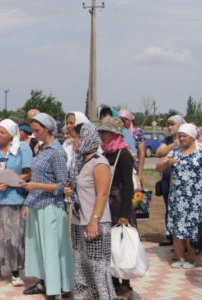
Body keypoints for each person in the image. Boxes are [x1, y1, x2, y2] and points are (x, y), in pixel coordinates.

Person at [20, 113, 74, 299]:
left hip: (51, 206)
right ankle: (45, 282)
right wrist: (28, 202)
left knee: (52, 249)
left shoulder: (57, 152)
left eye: (37, 130)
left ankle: (56, 288)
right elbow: (36, 177)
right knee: (39, 249)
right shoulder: (41, 148)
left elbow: (62, 185)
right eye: (32, 130)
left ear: (48, 129)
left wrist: (37, 186)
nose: (34, 134)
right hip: (37, 204)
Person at [65, 122, 116, 300]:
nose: (74, 141)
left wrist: (94, 221)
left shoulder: (99, 163)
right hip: (78, 221)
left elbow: (102, 194)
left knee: (98, 269)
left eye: (77, 137)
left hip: (95, 223)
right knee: (80, 267)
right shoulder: (79, 162)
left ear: (87, 138)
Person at [0, 119, 32, 286]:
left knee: (12, 235)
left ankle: (15, 270)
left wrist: (10, 181)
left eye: (2, 132)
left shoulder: (22, 149)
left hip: (13, 198)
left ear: (11, 134)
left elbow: (28, 173)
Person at [156, 123, 202, 269]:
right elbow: (158, 167)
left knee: (192, 229)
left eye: (184, 136)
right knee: (177, 228)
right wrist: (168, 162)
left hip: (195, 199)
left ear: (192, 137)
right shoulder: (175, 152)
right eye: (179, 136)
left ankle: (192, 258)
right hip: (176, 198)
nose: (181, 139)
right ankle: (180, 257)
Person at [97, 116, 136, 298]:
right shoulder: (105, 155)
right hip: (106, 205)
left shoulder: (124, 154)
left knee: (122, 245)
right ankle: (112, 281)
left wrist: (125, 214)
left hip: (120, 204)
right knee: (109, 245)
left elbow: (129, 186)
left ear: (114, 134)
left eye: (105, 132)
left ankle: (126, 284)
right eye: (101, 132)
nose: (102, 136)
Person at [155, 115, 185, 246]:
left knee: (181, 208)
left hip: (181, 180)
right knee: (169, 207)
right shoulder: (168, 139)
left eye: (172, 124)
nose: (169, 127)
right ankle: (169, 235)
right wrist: (173, 145)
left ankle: (182, 237)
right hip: (167, 179)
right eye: (168, 125)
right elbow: (158, 153)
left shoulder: (186, 139)